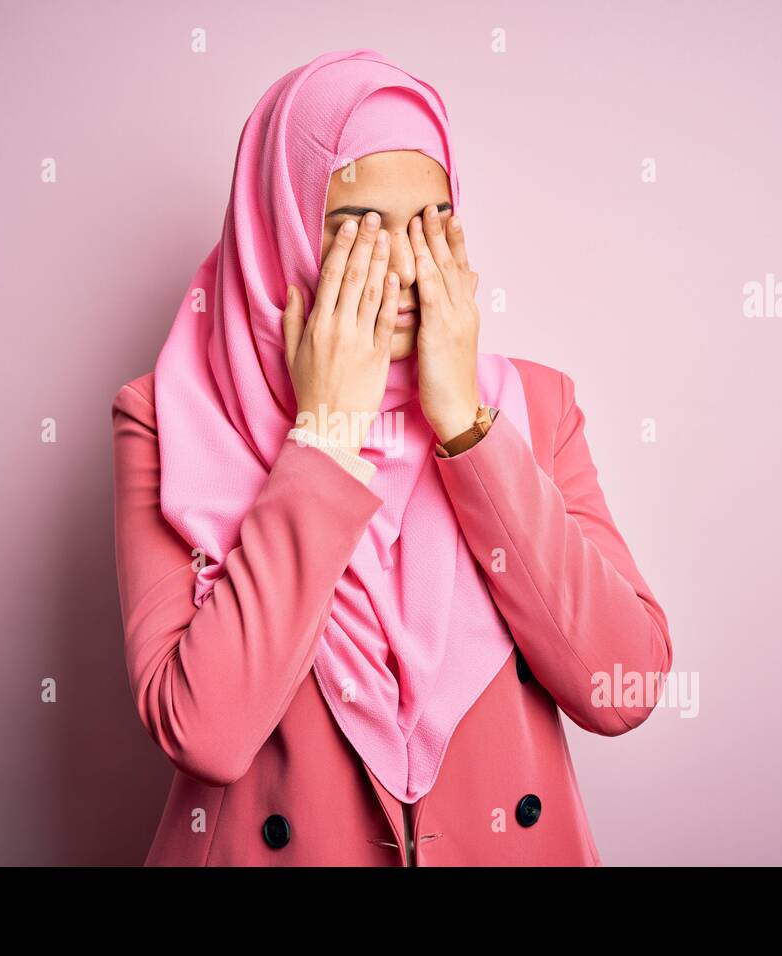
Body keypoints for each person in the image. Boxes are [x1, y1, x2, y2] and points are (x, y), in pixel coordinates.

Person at [111, 48, 673, 866]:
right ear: (284, 227)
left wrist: (466, 429)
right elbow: (206, 732)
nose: (405, 267)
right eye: (357, 229)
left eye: (428, 222)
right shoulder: (171, 420)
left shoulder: (535, 410)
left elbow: (624, 687)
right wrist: (326, 433)